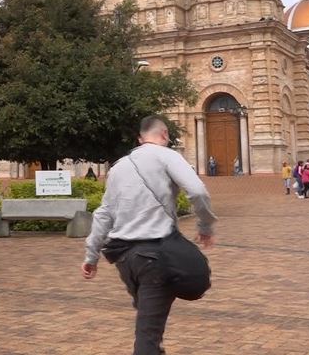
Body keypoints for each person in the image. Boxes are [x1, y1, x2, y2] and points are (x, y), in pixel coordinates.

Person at [82, 116, 218, 355]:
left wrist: (91, 256)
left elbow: (104, 213)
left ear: (140, 139)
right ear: (165, 135)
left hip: (124, 259)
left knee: (150, 324)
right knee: (148, 333)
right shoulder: (168, 155)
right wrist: (205, 227)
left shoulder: (118, 167)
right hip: (156, 256)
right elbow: (197, 191)